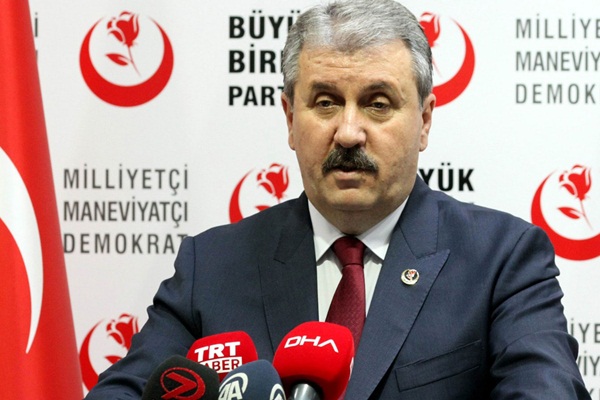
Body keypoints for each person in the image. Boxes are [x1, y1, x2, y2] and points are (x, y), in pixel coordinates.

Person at [85, 0, 590, 398]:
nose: (348, 132)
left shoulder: (503, 260)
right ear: (290, 119)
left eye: (377, 104)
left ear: (424, 121)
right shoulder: (211, 266)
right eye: (325, 102)